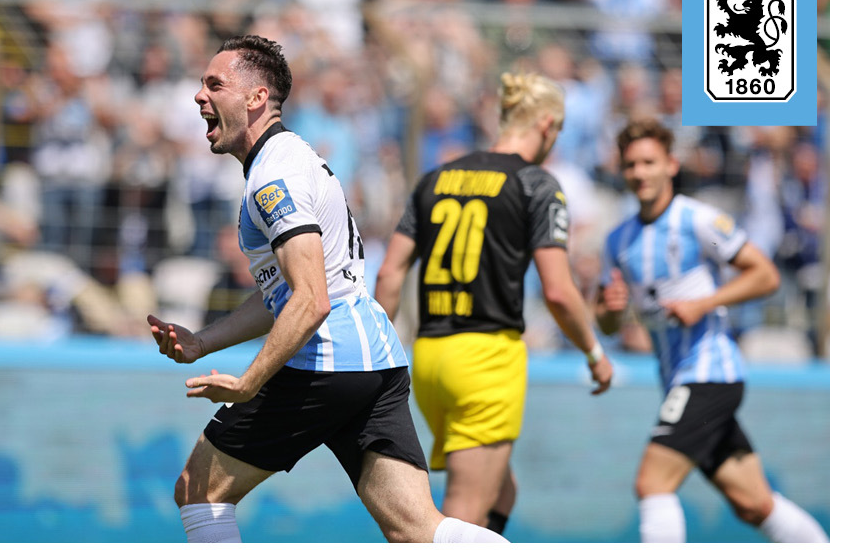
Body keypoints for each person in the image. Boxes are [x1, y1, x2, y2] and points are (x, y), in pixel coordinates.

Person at [146, 35, 507, 543]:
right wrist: (204, 342)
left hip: (324, 362)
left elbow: (310, 300)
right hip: (375, 360)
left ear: (256, 98)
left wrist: (249, 381)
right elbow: (287, 293)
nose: (199, 96)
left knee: (200, 491)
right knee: (418, 530)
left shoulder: (275, 178)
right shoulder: (291, 157)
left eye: (214, 84)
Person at [374, 72, 614, 534]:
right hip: (485, 360)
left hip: (429, 359)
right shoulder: (536, 183)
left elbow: (389, 273)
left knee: (502, 491)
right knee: (461, 517)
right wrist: (594, 352)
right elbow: (560, 291)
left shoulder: (435, 177)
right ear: (547, 125)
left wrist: (382, 352)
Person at [595, 119, 828, 543]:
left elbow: (765, 275)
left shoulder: (697, 220)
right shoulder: (618, 240)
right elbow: (607, 319)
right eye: (631, 165)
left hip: (710, 375)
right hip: (677, 382)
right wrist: (609, 312)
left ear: (671, 164)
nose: (639, 173)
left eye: (649, 162)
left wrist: (704, 303)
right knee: (755, 504)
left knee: (652, 484)